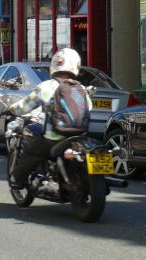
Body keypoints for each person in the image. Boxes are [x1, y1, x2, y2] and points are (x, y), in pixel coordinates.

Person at [7, 48, 89, 189]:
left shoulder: (46, 87)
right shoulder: (81, 88)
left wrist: (10, 109)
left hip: (55, 137)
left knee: (31, 151)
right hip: (79, 136)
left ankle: (17, 180)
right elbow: (89, 107)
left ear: (55, 65)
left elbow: (25, 107)